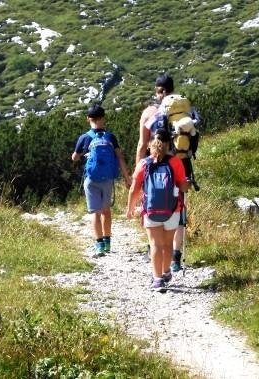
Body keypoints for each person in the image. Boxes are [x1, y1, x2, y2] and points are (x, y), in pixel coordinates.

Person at [136, 74, 196, 274]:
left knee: (154, 204)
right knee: (178, 210)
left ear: (158, 90)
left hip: (157, 167)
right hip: (181, 164)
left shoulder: (153, 112)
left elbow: (143, 143)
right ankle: (175, 257)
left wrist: (139, 169)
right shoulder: (186, 109)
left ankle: (155, 247)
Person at [127, 128, 189, 291]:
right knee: (168, 243)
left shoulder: (143, 163)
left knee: (155, 245)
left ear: (149, 145)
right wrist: (186, 183)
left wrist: (130, 208)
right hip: (173, 209)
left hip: (151, 210)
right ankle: (166, 271)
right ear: (169, 144)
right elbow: (183, 186)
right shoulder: (175, 162)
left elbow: (134, 189)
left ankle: (157, 279)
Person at [72, 104, 131, 257]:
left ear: (88, 119)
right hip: (107, 179)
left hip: (91, 179)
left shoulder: (84, 137)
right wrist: (127, 178)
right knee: (106, 211)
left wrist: (80, 155)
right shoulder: (110, 137)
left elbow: (74, 157)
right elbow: (120, 157)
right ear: (103, 118)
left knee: (95, 213)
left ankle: (98, 245)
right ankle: (107, 242)